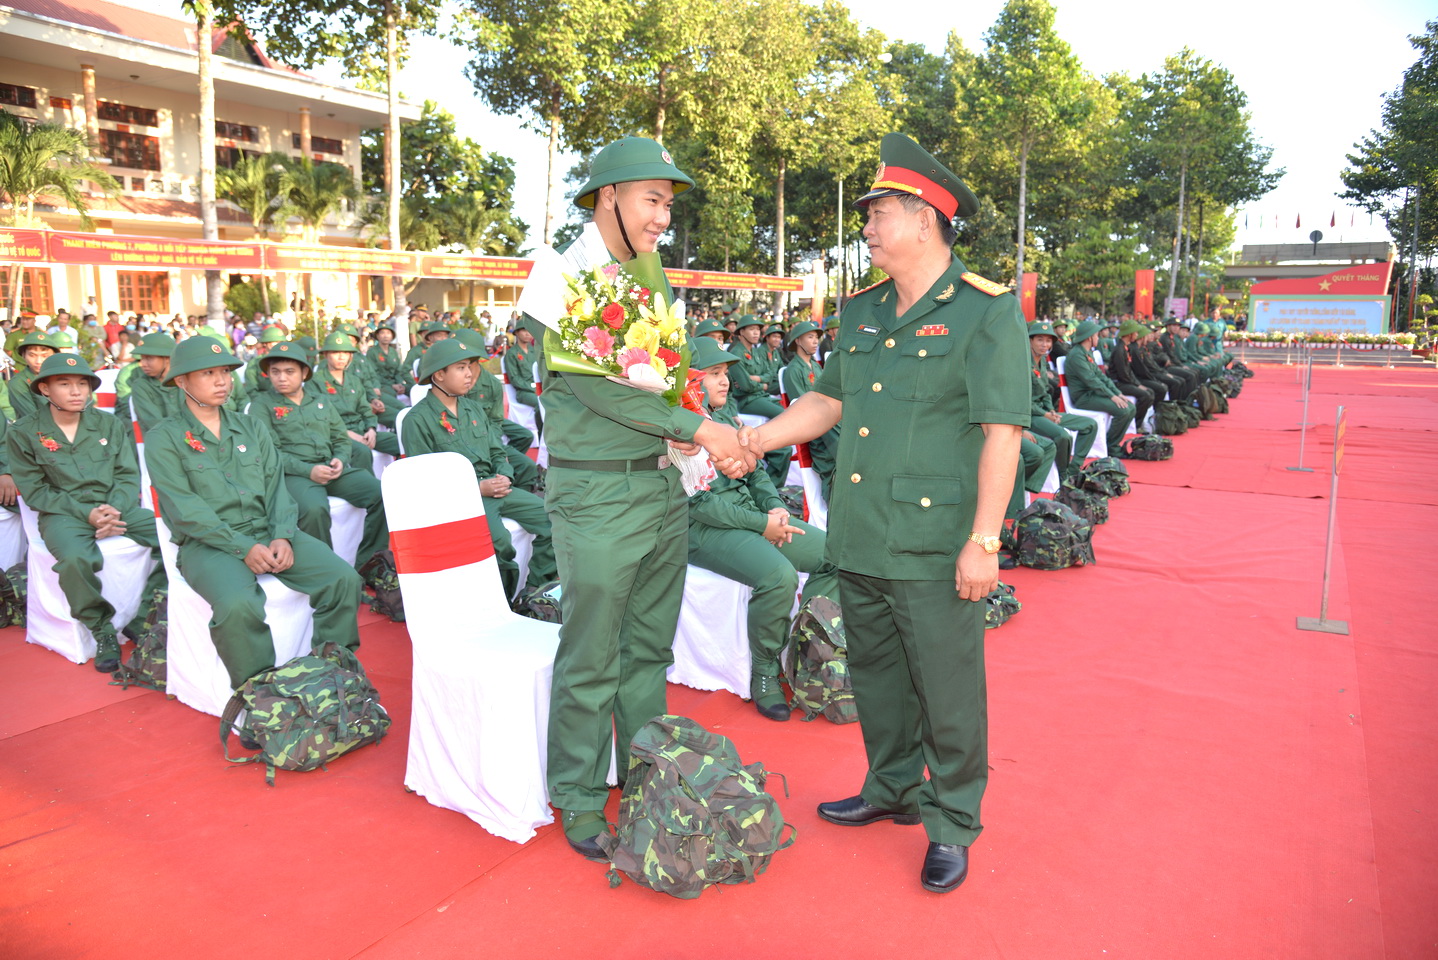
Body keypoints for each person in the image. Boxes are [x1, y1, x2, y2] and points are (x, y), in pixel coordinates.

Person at [735, 132, 1028, 894]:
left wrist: (985, 541)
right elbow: (829, 400)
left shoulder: (985, 313)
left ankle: (953, 819)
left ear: (926, 218)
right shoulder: (862, 312)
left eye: (880, 212)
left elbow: (1003, 433)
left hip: (936, 542)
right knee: (879, 678)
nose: (867, 226)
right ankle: (892, 785)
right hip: (862, 532)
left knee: (948, 686)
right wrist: (759, 436)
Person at [530, 137, 755, 862]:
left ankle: (644, 770)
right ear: (608, 197)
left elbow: (658, 376)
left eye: (666, 202)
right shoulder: (563, 274)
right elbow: (596, 386)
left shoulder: (644, 273)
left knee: (647, 649)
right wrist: (700, 427)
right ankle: (578, 796)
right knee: (592, 653)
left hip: (659, 483)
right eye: (653, 199)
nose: (664, 216)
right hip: (597, 494)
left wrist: (690, 432)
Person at [146, 337, 363, 690]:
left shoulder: (250, 427)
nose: (222, 381)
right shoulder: (165, 438)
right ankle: (257, 695)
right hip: (209, 545)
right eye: (208, 373)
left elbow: (277, 487)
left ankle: (333, 673)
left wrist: (282, 534)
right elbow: (185, 510)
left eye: (226, 373)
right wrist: (241, 547)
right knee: (238, 605)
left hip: (268, 530)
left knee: (343, 579)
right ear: (182, 381)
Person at [687, 337, 840, 721]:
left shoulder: (723, 418)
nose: (726, 381)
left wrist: (773, 507)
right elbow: (699, 503)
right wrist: (762, 524)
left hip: (752, 517)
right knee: (778, 576)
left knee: (836, 555)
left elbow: (757, 477)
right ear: (690, 380)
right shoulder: (680, 429)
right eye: (715, 374)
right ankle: (766, 669)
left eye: (725, 374)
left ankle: (809, 646)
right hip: (704, 530)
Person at [6, 354, 166, 673]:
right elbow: (36, 491)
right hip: (62, 514)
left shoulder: (108, 423)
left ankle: (142, 615)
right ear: (45, 390)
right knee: (76, 560)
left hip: (114, 507)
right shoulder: (24, 431)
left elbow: (126, 474)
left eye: (82, 383)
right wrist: (87, 515)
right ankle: (103, 631)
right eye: (64, 384)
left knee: (175, 538)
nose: (76, 391)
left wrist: (113, 509)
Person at [400, 338, 557, 599]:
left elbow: (497, 451)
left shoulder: (473, 408)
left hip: (495, 488)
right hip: (462, 498)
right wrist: (476, 488)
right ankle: (502, 601)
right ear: (439, 375)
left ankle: (534, 590)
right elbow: (424, 480)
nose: (470, 373)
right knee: (500, 543)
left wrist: (505, 475)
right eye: (461, 368)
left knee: (553, 520)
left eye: (470, 366)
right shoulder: (417, 420)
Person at [249, 341, 388, 574]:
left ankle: (369, 566)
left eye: (289, 371)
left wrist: (341, 459)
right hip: (295, 474)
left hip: (332, 468)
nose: (281, 378)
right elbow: (269, 454)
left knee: (382, 493)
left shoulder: (320, 400)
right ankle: (330, 574)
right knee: (314, 510)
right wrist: (308, 471)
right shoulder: (261, 405)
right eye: (275, 372)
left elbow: (341, 438)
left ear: (304, 373)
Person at [311, 331, 401, 471]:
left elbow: (364, 409)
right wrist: (353, 436)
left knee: (400, 441)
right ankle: (370, 491)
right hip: (338, 436)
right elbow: (320, 419)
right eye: (335, 352)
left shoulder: (353, 380)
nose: (341, 357)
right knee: (362, 452)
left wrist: (371, 429)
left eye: (346, 353)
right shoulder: (315, 382)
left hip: (362, 430)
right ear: (326, 354)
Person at [1027, 321, 1096, 480]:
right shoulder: (1022, 363)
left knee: (1090, 425)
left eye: (1048, 340)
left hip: (1044, 412)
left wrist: (1051, 410)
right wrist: (1046, 415)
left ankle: (1074, 467)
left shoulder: (1042, 360)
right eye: (1040, 339)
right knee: (1064, 436)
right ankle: (1063, 475)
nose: (1045, 344)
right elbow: (1021, 400)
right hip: (1029, 415)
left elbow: (1045, 392)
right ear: (1030, 340)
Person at [779, 319, 837, 499]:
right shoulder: (793, 370)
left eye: (816, 338)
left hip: (830, 423)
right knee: (841, 458)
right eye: (810, 337)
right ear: (797, 341)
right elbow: (801, 408)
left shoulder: (817, 367)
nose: (815, 342)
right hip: (818, 432)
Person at [1063, 318, 1135, 454]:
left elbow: (1101, 377)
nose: (1098, 337)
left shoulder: (1086, 352)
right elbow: (1091, 381)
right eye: (1096, 335)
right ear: (1090, 337)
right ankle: (1112, 447)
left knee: (1130, 407)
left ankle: (1112, 443)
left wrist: (1117, 393)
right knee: (1124, 411)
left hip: (1093, 394)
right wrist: (1112, 396)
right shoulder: (1077, 355)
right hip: (1083, 398)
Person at [9, 329, 63, 421]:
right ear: (23, 355)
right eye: (32, 355)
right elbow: (32, 417)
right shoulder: (18, 383)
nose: (38, 361)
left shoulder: (62, 377)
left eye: (44, 356)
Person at [503, 325, 541, 428]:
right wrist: (533, 388)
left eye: (529, 331)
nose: (527, 333)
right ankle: (541, 432)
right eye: (524, 331)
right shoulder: (511, 353)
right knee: (540, 404)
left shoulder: (535, 351)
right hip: (523, 392)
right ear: (516, 333)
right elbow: (514, 379)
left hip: (538, 389)